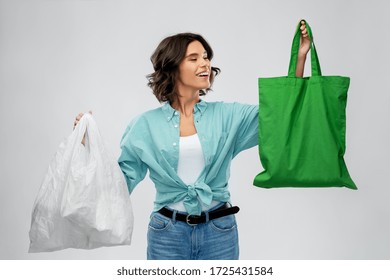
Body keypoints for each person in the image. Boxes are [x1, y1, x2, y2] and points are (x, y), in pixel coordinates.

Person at [74, 20, 310, 260]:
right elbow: (120, 184)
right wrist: (88, 148)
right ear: (173, 67)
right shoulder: (143, 126)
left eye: (206, 57)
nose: (205, 63)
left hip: (220, 231)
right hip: (166, 233)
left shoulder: (228, 116)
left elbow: (280, 117)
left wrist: (300, 59)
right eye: (194, 58)